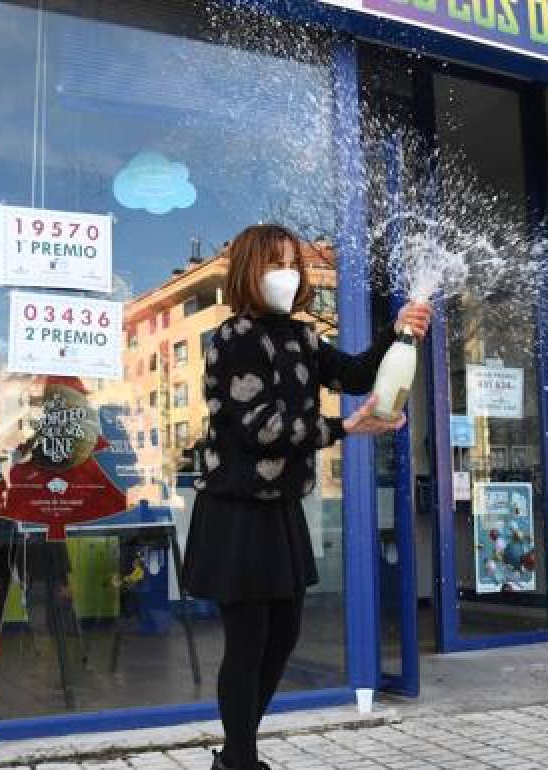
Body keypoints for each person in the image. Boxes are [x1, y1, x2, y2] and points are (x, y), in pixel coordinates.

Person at [183, 224, 431, 770]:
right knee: (247, 641)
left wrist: (399, 331)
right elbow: (262, 427)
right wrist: (345, 429)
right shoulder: (234, 338)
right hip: (235, 511)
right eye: (275, 263)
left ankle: (234, 754)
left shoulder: (300, 336)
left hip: (280, 508)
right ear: (249, 269)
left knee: (284, 633)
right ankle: (241, 761)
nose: (288, 273)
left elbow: (354, 372)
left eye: (292, 262)